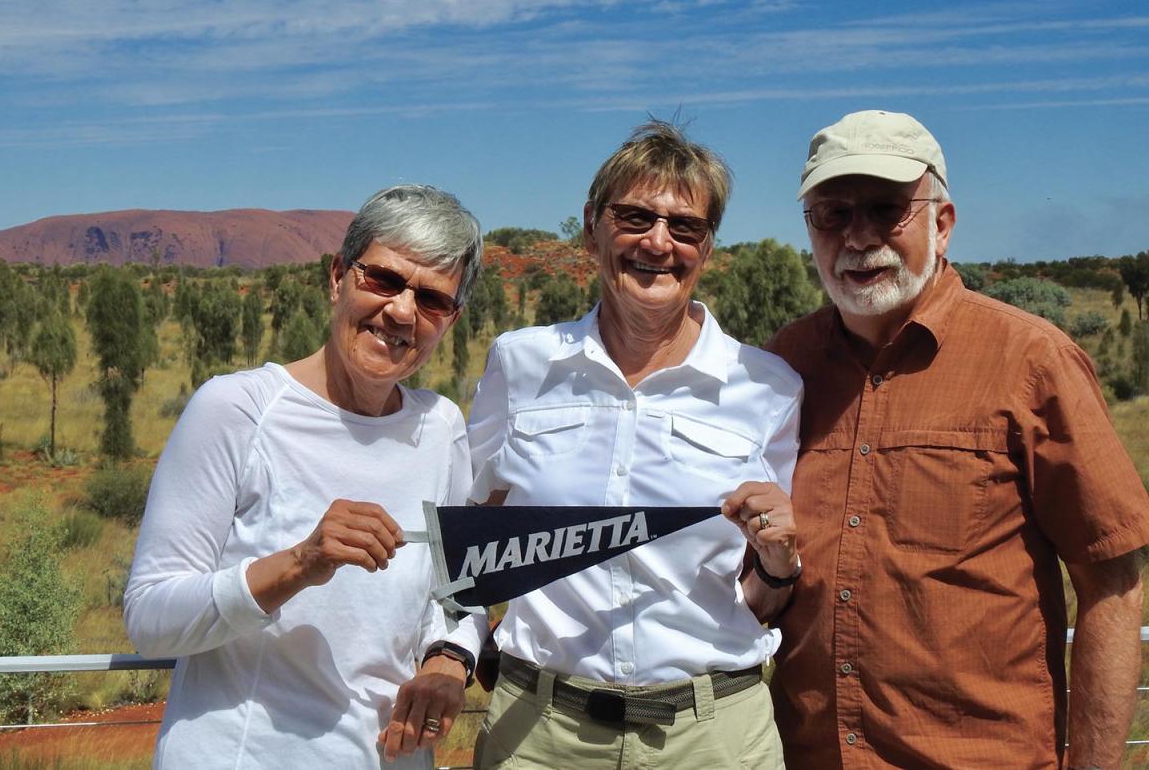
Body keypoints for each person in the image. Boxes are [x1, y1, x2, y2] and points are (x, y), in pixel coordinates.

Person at [767, 109, 1149, 769]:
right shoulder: (783, 367)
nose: (858, 237)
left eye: (887, 210)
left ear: (942, 225)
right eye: (831, 214)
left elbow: (1112, 586)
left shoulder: (1031, 361)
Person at [468, 121, 803, 769]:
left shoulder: (767, 388)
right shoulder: (521, 365)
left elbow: (764, 601)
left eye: (686, 227)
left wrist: (779, 559)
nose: (658, 242)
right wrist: (453, 649)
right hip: (539, 734)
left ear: (707, 247)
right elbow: (469, 541)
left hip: (713, 737)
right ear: (593, 227)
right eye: (635, 217)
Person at [124, 185, 488, 769]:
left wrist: (449, 658)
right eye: (384, 279)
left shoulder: (441, 427)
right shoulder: (237, 409)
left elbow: (457, 595)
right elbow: (149, 619)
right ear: (338, 276)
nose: (401, 311)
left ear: (451, 319)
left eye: (432, 300)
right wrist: (298, 563)